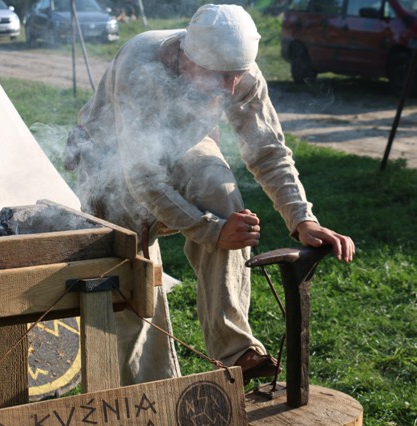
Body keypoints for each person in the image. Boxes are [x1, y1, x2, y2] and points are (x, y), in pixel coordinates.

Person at [64, 3, 355, 385]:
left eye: (237, 75)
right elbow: (142, 178)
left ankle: (236, 350)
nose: (232, 87)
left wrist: (301, 217)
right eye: (221, 77)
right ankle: (148, 395)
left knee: (220, 190)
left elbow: (267, 150)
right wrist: (211, 231)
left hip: (183, 146)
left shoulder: (241, 73)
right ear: (187, 59)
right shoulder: (143, 68)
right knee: (132, 288)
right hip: (111, 162)